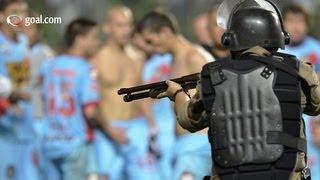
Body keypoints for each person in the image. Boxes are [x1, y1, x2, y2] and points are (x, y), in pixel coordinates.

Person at [159, 0, 320, 179]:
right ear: (278, 35)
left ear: (230, 38)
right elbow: (315, 106)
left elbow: (188, 120)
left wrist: (177, 93)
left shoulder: (212, 76)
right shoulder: (298, 71)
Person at [137, 10, 214, 180]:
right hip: (183, 145)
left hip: (198, 147)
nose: (149, 47)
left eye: (150, 40)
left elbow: (218, 98)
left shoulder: (194, 56)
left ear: (165, 32)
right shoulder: (175, 59)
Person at [91, 6, 159, 180]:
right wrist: (109, 128)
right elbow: (91, 100)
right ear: (107, 28)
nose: (126, 30)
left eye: (129, 25)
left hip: (135, 129)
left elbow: (141, 95)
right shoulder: (97, 59)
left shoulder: (137, 58)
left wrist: (152, 126)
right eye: (120, 25)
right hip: (107, 130)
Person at [40, 18, 100, 180]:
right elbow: (90, 112)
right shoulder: (86, 69)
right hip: (75, 143)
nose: (97, 42)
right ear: (80, 39)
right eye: (94, 37)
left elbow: (41, 100)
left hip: (49, 141)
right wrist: (108, 125)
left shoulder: (49, 66)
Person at [0, 1, 40, 179]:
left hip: (25, 125)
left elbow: (21, 83)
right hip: (4, 131)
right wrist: (10, 93)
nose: (20, 18)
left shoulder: (23, 42)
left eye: (24, 12)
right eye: (14, 12)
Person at [281, 4, 320, 179]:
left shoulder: (316, 49)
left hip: (312, 116)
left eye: (300, 21)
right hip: (284, 114)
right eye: (291, 21)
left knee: (313, 161)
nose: (296, 26)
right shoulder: (277, 50)